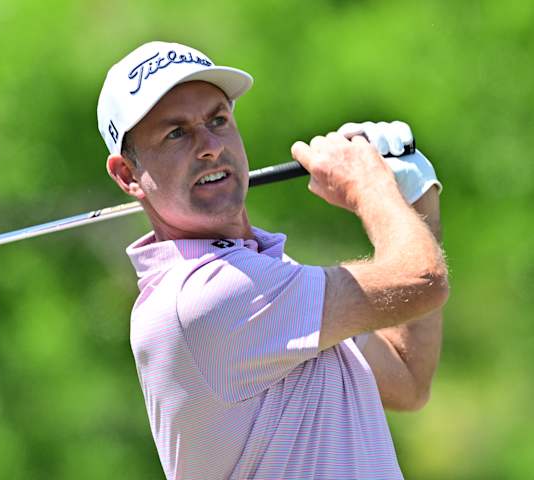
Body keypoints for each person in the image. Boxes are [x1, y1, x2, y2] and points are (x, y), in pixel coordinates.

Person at [96, 41, 448, 479]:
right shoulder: (203, 298)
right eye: (177, 133)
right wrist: (369, 186)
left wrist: (415, 197)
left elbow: (407, 378)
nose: (209, 146)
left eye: (217, 120)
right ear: (128, 175)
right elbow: (421, 278)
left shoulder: (267, 280)